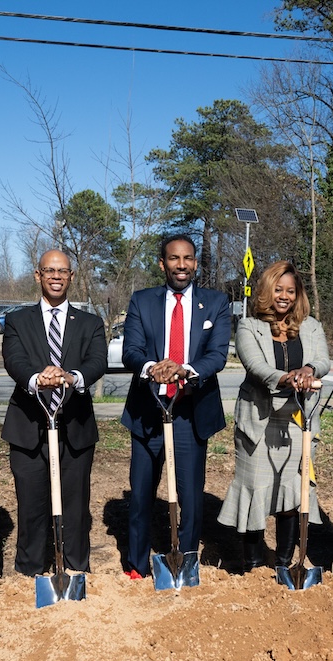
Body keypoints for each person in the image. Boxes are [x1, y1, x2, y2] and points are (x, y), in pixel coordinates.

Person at [120, 234, 232, 579]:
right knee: (140, 493)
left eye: (187, 259)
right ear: (162, 263)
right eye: (173, 259)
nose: (181, 265)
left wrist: (186, 370)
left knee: (191, 497)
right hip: (149, 409)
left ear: (195, 263)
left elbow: (217, 355)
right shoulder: (142, 301)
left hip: (190, 410)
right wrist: (153, 368)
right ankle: (138, 564)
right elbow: (132, 351)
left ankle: (184, 561)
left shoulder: (216, 303)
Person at [218, 260, 330, 571]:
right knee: (255, 489)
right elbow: (256, 366)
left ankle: (284, 562)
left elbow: (321, 359)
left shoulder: (311, 326)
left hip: (298, 420)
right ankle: (253, 562)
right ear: (267, 291)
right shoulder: (249, 326)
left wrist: (308, 370)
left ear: (298, 295)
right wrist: (286, 378)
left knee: (293, 491)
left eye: (290, 291)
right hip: (259, 420)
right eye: (278, 289)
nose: (284, 296)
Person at [1, 250, 106, 576]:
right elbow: (14, 360)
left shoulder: (90, 323)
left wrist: (72, 377)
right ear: (38, 275)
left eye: (63, 271)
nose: (56, 276)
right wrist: (37, 379)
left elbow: (97, 361)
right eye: (50, 271)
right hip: (29, 428)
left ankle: (75, 571)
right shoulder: (18, 320)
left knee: (75, 509)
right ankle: (29, 571)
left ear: (72, 276)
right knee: (31, 508)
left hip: (75, 428)